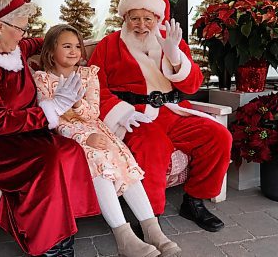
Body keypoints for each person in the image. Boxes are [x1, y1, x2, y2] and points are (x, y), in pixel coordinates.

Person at [0, 0, 100, 257]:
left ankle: (62, 231)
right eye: (21, 28)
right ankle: (50, 245)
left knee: (70, 151)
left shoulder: (16, 46)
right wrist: (52, 108)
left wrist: (70, 42)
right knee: (48, 157)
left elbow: (44, 41)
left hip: (19, 133)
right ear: (0, 27)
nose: (24, 34)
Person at [88, 0, 232, 232]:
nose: (141, 25)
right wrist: (123, 112)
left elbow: (193, 85)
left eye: (147, 18)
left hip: (172, 111)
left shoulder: (170, 40)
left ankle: (194, 200)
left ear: (158, 18)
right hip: (133, 116)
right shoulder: (109, 45)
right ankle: (149, 218)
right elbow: (93, 87)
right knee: (152, 148)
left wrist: (175, 57)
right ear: (125, 18)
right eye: (135, 18)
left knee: (219, 136)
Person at [33, 24, 181, 257]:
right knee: (97, 158)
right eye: (66, 46)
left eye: (77, 47)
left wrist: (77, 104)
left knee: (122, 160)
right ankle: (123, 237)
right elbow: (51, 120)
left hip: (96, 127)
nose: (74, 52)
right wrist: (82, 136)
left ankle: (151, 228)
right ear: (51, 51)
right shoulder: (42, 79)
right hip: (65, 136)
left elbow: (93, 113)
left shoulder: (88, 75)